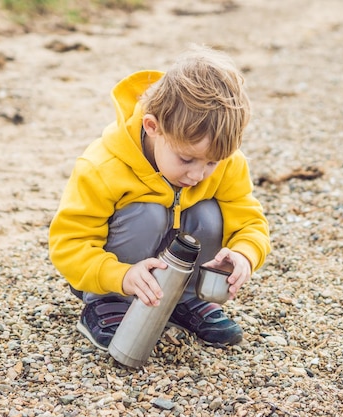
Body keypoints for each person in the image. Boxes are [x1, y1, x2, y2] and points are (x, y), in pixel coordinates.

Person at [48, 45, 271, 351]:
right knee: (148, 212)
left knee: (209, 211)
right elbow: (69, 243)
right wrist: (120, 276)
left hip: (175, 269)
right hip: (115, 273)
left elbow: (249, 219)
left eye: (211, 163)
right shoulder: (101, 167)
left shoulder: (227, 162)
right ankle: (108, 304)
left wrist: (245, 253)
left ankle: (185, 299)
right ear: (152, 127)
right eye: (186, 159)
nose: (198, 174)